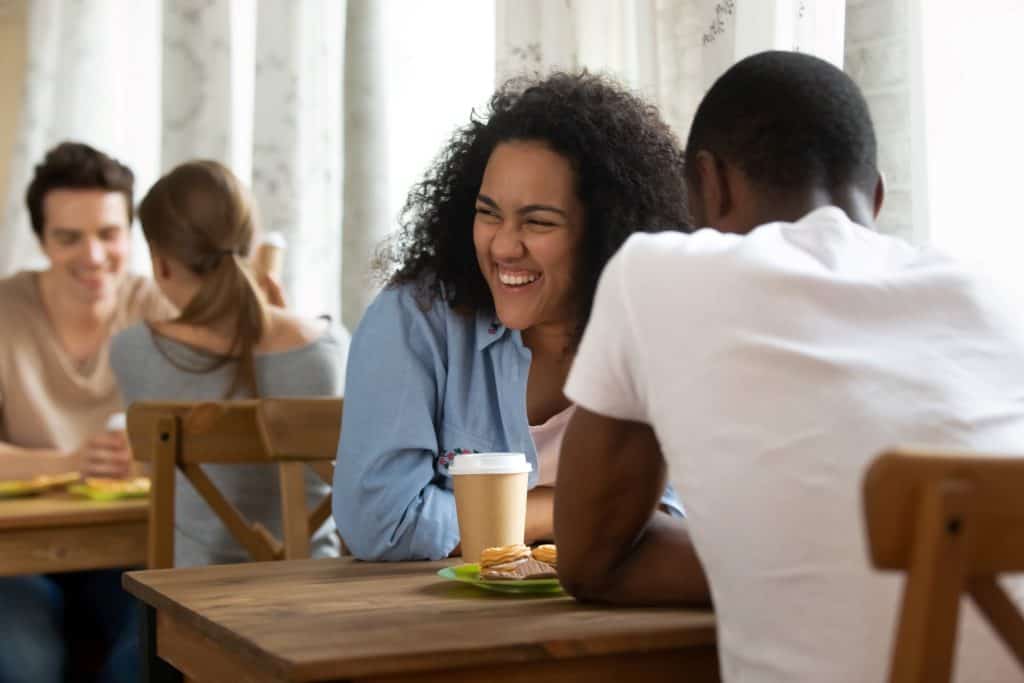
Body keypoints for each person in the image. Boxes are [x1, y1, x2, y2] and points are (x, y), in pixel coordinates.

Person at [555, 51, 1024, 682]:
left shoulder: (655, 272)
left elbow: (592, 562)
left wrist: (786, 563)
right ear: (877, 195)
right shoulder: (992, 297)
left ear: (709, 183)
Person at [333, 72, 690, 561]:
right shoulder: (414, 321)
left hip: (604, 623)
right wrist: (580, 508)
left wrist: (479, 519)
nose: (503, 245)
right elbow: (383, 524)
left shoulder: (654, 330)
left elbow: (678, 516)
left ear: (607, 230)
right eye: (488, 213)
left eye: (538, 222)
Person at [110, 159, 348, 568]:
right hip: (314, 593)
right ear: (252, 245)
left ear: (160, 262)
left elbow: (152, 477)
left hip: (194, 607)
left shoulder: (134, 351)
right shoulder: (330, 347)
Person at [0, 142, 174, 683]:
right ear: (41, 240)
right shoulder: (6, 310)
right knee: (25, 663)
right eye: (69, 238)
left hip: (130, 544)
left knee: (150, 651)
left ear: (131, 234)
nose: (93, 256)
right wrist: (76, 460)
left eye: (108, 234)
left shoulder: (161, 308)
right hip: (14, 555)